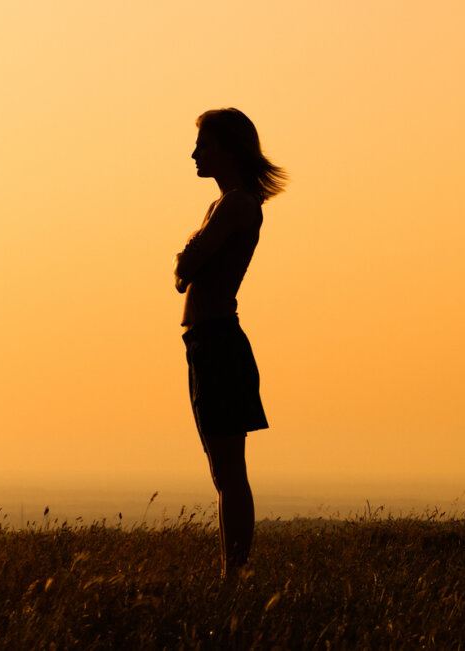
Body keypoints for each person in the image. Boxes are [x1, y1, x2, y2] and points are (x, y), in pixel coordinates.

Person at [174, 108, 286, 579]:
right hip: (206, 341)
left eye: (205, 144)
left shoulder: (235, 205)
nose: (195, 153)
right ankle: (230, 574)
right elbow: (188, 269)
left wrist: (187, 255)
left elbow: (186, 267)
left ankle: (233, 576)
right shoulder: (223, 205)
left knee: (229, 472)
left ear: (229, 149)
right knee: (223, 472)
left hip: (218, 342)